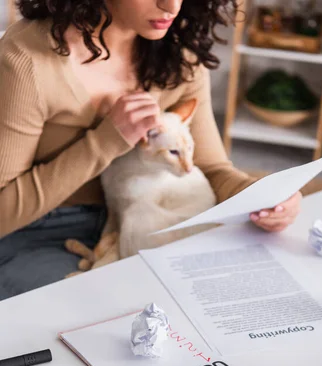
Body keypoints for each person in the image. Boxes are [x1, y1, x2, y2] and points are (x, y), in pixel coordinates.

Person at [0, 0, 301, 302]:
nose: (171, 6)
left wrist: (261, 197)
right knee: (113, 312)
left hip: (144, 220)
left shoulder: (180, 54)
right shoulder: (27, 60)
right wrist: (105, 142)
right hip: (39, 233)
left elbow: (210, 169)